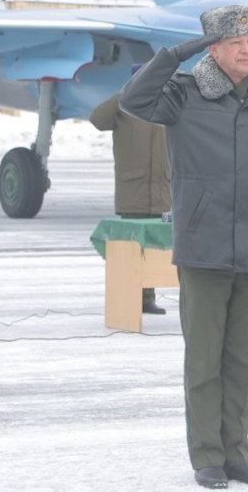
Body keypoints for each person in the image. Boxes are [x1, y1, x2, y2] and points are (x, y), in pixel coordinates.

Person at [120, 5, 248, 489]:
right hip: (203, 248)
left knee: (241, 360)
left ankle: (236, 453)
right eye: (236, 43)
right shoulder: (184, 95)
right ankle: (207, 456)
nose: (247, 51)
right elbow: (133, 99)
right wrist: (178, 53)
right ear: (214, 49)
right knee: (204, 359)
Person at [89, 71, 171, 315]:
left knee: (154, 248)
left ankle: (148, 298)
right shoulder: (123, 108)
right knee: (131, 249)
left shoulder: (167, 107)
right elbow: (97, 119)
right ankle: (129, 296)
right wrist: (123, 95)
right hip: (132, 191)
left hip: (161, 190)